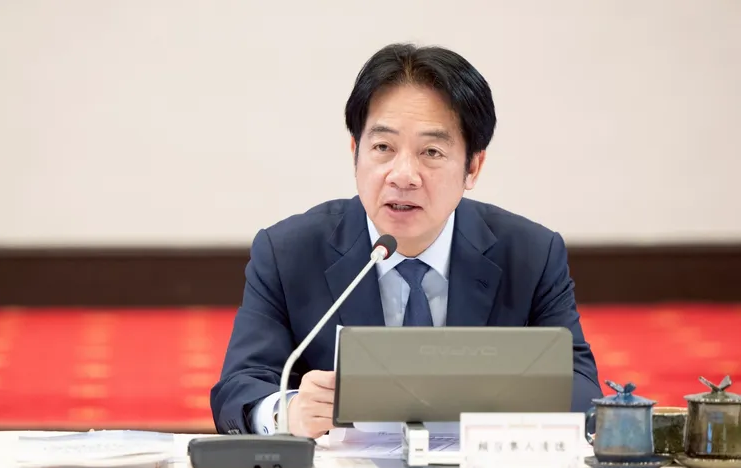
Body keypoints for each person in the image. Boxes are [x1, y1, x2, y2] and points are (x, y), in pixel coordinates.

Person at [210, 42, 603, 438]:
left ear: (473, 166)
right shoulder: (288, 253)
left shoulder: (530, 255)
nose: (403, 176)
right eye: (383, 147)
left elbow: (583, 392)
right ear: (355, 152)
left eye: (431, 152)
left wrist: (502, 407)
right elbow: (239, 389)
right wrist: (287, 411)